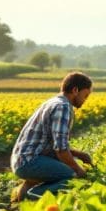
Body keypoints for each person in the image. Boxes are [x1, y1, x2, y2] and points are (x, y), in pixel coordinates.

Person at [11, 72, 95, 201]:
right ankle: (33, 196)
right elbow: (60, 149)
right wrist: (78, 170)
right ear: (75, 90)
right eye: (85, 96)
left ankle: (22, 199)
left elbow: (54, 144)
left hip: (22, 159)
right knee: (73, 176)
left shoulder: (52, 102)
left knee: (67, 166)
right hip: (30, 161)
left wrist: (79, 155)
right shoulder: (63, 107)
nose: (85, 100)